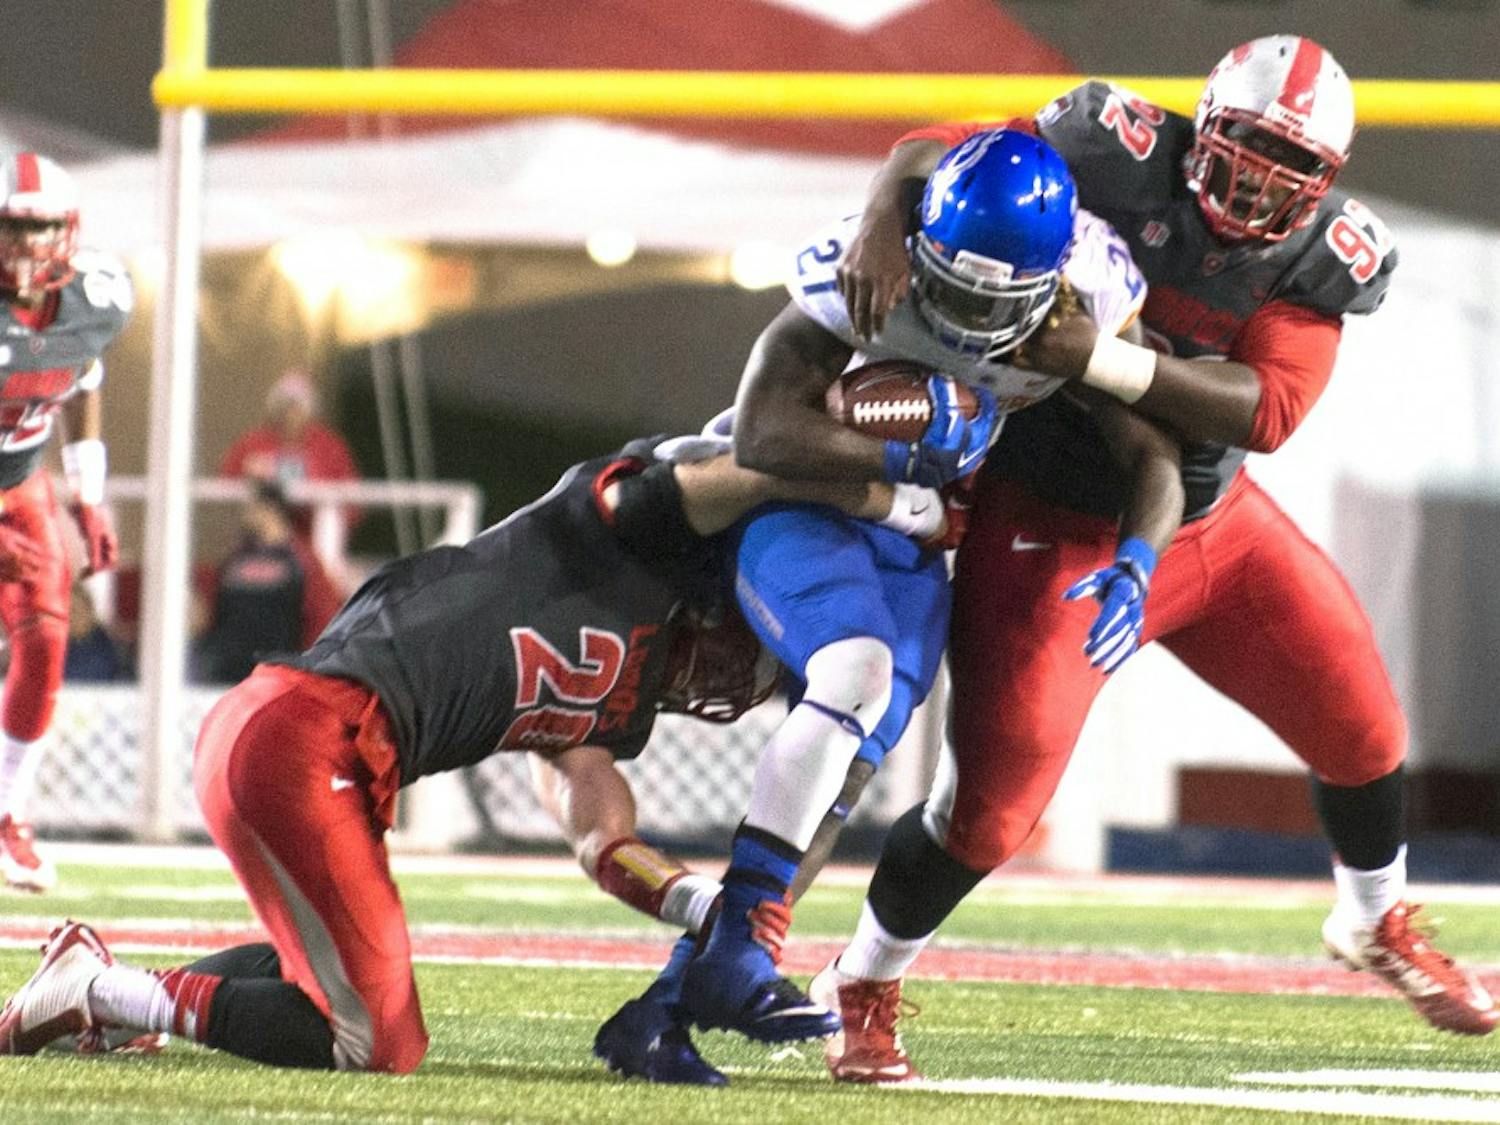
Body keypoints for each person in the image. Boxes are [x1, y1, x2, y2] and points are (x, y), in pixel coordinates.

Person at [809, 34, 1495, 1085]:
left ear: (1328, 182)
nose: (1257, 185)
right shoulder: (1109, 144)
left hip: (1208, 524)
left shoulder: (1326, 258)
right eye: (1242, 151)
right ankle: (859, 977)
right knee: (990, 812)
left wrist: (1099, 354)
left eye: (1290, 169)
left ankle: (1371, 917)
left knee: (1364, 726)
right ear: (1199, 128)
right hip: (1050, 516)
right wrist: (877, 221)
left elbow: (1266, 410)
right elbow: (936, 151)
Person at [0, 438, 927, 1072]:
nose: (737, 674)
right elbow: (749, 470)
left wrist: (699, 904)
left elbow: (598, 837)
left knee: (344, 987)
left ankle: (99, 976)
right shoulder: (619, 536)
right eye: (747, 646)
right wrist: (881, 494)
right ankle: (99, 991)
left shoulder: (627, 692)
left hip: (309, 746)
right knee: (377, 1041)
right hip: (305, 731)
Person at [599, 128, 1186, 1085]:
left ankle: (671, 1004)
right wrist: (901, 455)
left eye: (993, 300)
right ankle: (736, 955)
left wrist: (1140, 556)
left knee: (848, 773)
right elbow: (762, 432)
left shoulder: (1086, 300)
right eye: (949, 282)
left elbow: (1155, 452)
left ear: (1050, 281)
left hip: (920, 537)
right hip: (803, 500)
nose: (962, 313)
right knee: (856, 674)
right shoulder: (869, 267)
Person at [0, 151, 130, 893]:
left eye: (41, 227)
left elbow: (82, 379)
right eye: (11, 230)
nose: (26, 247)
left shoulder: (92, 299)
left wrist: (87, 495)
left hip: (21, 486)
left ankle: (6, 812)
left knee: (47, 638)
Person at [190, 481, 343, 685]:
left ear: (270, 509)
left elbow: (321, 614)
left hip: (277, 671)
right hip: (229, 670)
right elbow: (214, 607)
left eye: (252, 506)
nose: (246, 512)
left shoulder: (301, 560)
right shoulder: (237, 557)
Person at [218, 369, 361, 535]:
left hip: (314, 538)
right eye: (285, 406)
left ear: (310, 411)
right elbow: (226, 481)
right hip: (263, 536)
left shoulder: (329, 446)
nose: (291, 414)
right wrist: (249, 471)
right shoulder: (253, 443)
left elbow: (352, 504)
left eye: (298, 407)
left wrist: (287, 472)